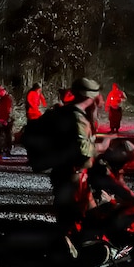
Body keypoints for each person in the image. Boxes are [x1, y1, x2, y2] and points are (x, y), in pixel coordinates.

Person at [48, 77, 113, 238]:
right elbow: (82, 149)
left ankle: (78, 247)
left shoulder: (68, 112)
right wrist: (101, 146)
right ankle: (73, 254)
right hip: (72, 176)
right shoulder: (76, 117)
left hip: (69, 174)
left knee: (84, 214)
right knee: (74, 218)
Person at [0, 85, 14, 156]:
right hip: (2, 119)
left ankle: (7, 149)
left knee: (6, 135)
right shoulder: (3, 99)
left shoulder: (7, 99)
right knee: (3, 135)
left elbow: (8, 109)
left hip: (5, 120)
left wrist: (6, 119)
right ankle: (4, 149)